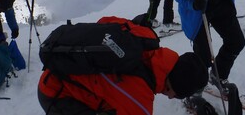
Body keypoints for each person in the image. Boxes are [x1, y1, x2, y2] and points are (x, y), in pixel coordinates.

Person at [37, 17, 208, 115]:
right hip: (57, 94)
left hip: (60, 62)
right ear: (174, 82)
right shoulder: (140, 100)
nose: (170, 98)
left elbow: (104, 23)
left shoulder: (146, 37)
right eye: (175, 94)